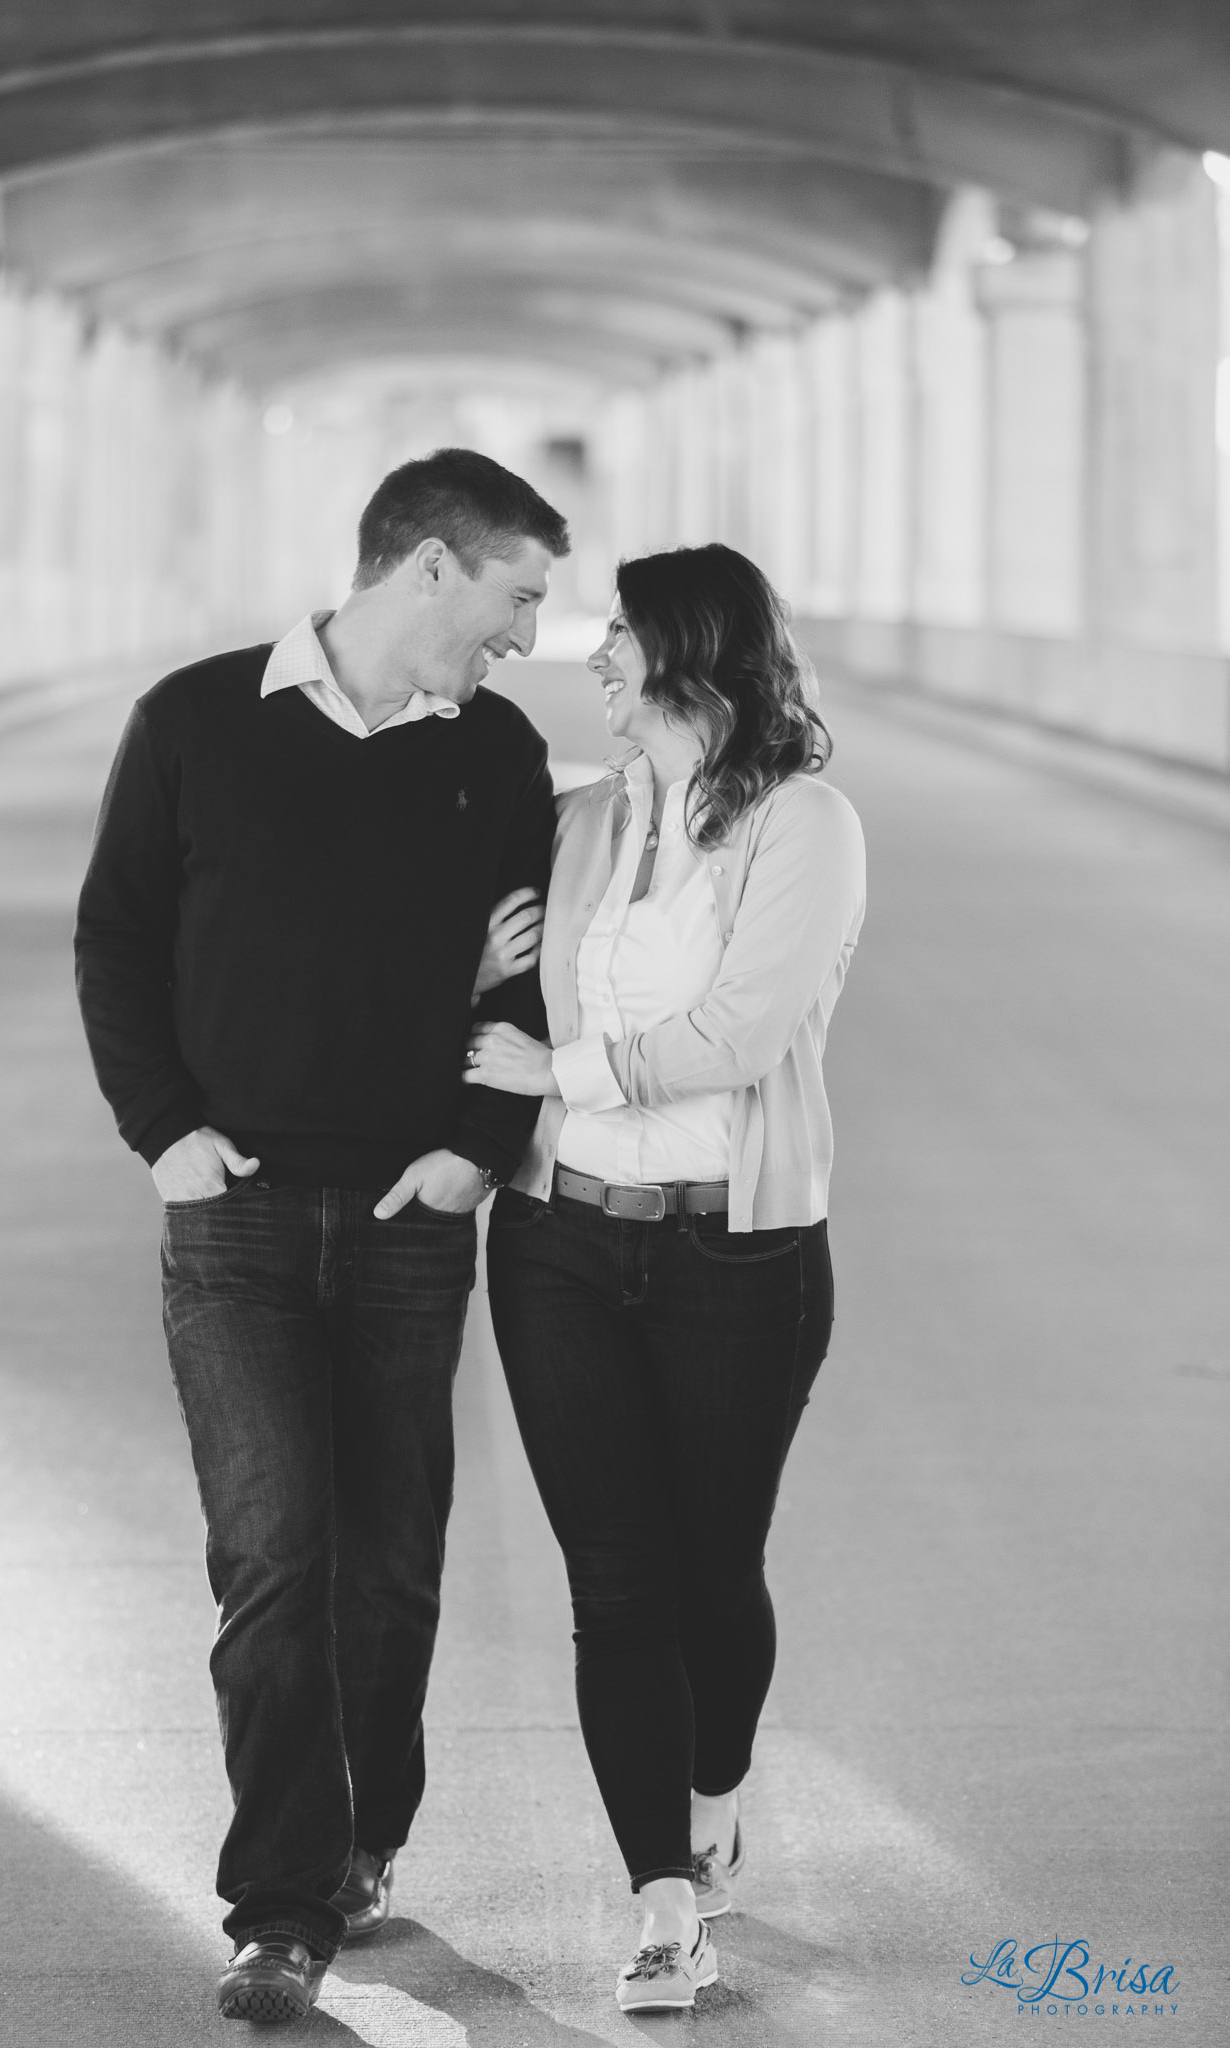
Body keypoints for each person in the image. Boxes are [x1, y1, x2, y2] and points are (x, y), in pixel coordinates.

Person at [73, 448, 568, 2023]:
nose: (524, 638)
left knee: (391, 1569)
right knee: (273, 1558)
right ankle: (279, 1903)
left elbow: (528, 988)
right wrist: (165, 1132)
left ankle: (365, 1838)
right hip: (233, 1216)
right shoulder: (197, 719)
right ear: (427, 568)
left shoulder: (496, 752)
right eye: (515, 598)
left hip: (411, 1217)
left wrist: (474, 1158)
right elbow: (119, 933)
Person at [463, 543, 866, 2014]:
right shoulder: (575, 825)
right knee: (614, 1584)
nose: (596, 660)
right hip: (559, 1241)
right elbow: (498, 984)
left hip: (734, 1250)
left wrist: (556, 1067)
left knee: (712, 1570)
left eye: (619, 636)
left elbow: (739, 1037)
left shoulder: (805, 828)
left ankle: (713, 1791)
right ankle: (660, 1902)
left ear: (691, 652)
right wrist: (476, 969)